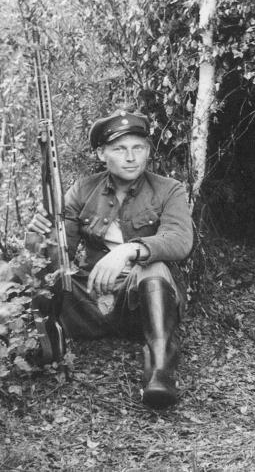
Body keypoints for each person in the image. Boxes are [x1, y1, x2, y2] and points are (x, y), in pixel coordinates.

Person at [26, 108, 193, 409]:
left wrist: (129, 250)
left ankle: (160, 369)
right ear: (103, 153)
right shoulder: (82, 190)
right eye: (120, 149)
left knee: (153, 265)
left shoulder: (169, 190)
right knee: (28, 272)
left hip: (141, 304)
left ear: (147, 151)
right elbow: (56, 255)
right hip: (93, 299)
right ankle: (46, 340)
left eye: (138, 148)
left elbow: (180, 241)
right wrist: (39, 234)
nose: (131, 157)